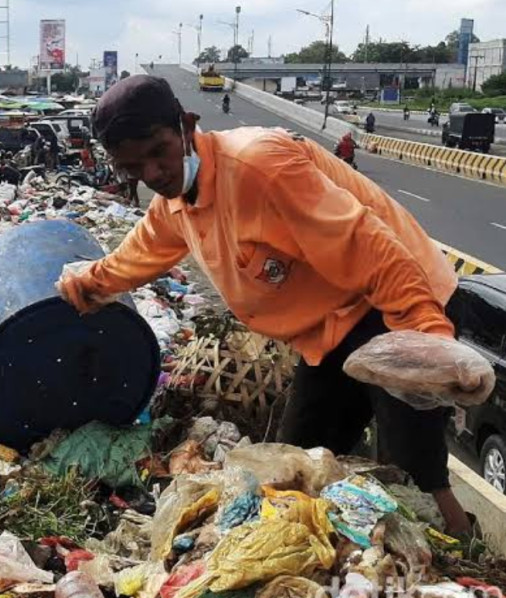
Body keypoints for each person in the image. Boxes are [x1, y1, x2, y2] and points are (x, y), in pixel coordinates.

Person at [57, 74, 481, 536]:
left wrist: (429, 337)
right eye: (133, 168)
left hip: (397, 301)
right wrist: (87, 283)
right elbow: (139, 252)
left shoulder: (260, 167)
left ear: (186, 125)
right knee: (296, 464)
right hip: (331, 330)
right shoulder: (175, 201)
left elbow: (370, 248)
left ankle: (462, 564)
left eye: (158, 151)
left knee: (412, 474)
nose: (153, 174)